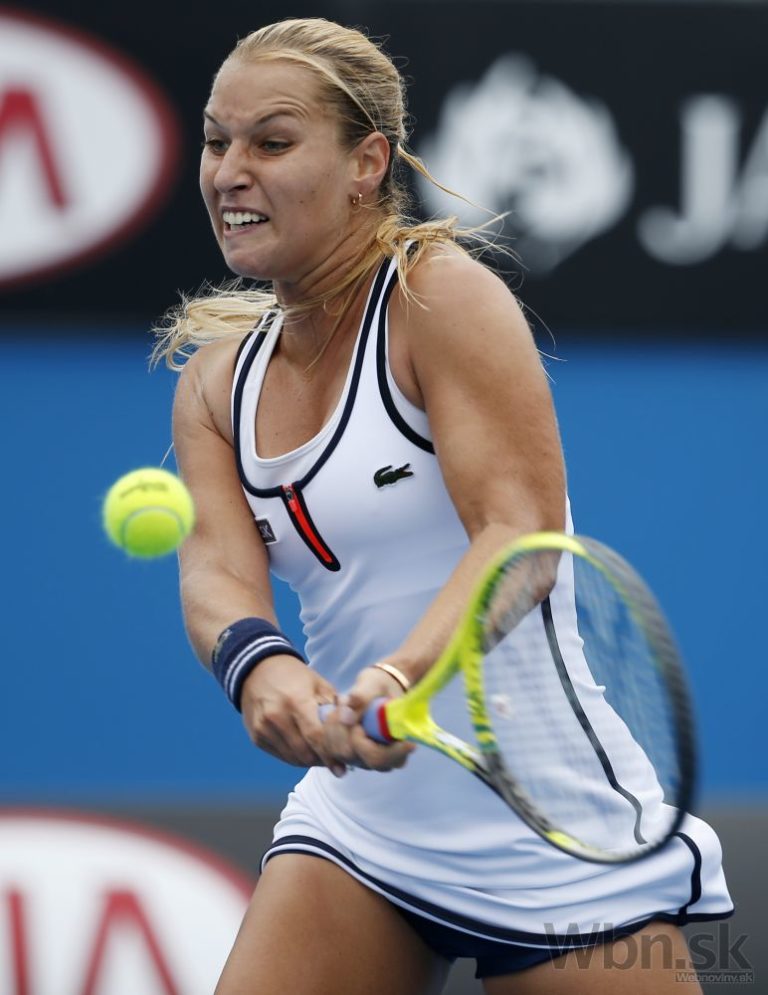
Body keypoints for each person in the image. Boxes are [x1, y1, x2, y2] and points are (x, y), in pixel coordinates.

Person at [154, 17, 732, 994]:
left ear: (367, 162)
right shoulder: (214, 386)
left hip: (554, 833)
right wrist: (264, 671)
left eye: (273, 142)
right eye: (217, 141)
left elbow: (521, 537)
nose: (229, 172)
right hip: (360, 832)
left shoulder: (442, 299)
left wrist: (399, 675)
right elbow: (216, 572)